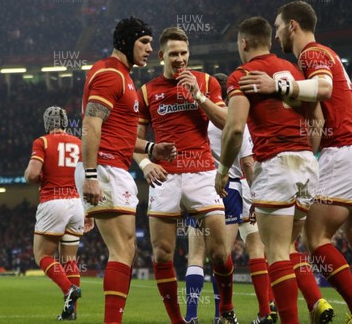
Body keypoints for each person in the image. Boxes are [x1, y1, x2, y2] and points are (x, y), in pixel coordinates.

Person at [238, 1, 352, 323]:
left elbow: (324, 87)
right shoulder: (328, 53)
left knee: (313, 239)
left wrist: (277, 85)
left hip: (345, 150)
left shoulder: (310, 54)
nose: (277, 34)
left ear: (292, 25)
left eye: (279, 26)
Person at [216, 16, 333, 324]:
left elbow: (235, 129)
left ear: (243, 43)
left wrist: (223, 169)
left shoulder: (242, 75)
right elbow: (319, 119)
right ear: (269, 40)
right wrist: (309, 150)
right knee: (290, 247)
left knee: (276, 251)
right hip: (308, 164)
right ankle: (316, 302)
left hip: (275, 164)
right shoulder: (294, 71)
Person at [75, 17, 176, 324]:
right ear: (127, 41)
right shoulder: (110, 74)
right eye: (144, 42)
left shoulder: (123, 76)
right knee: (122, 250)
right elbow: (92, 124)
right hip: (104, 167)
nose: (150, 49)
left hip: (113, 165)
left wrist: (148, 149)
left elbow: (117, 131)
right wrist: (91, 176)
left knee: (126, 250)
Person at [135, 27, 237, 324]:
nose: (180, 59)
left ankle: (226, 311)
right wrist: (145, 163)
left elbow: (227, 122)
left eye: (184, 54)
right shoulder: (146, 91)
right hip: (165, 178)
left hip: (202, 173)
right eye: (174, 54)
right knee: (162, 255)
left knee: (219, 252)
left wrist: (199, 96)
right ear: (161, 55)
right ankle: (178, 320)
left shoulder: (204, 81)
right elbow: (133, 141)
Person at [184, 73, 275, 324]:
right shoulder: (235, 121)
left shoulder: (200, 119)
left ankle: (191, 315)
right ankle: (222, 314)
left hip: (198, 185)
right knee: (221, 256)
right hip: (231, 188)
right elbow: (247, 162)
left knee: (195, 255)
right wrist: (257, 195)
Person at [24, 106, 87, 320]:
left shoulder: (42, 142)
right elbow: (88, 177)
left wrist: (37, 177)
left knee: (42, 255)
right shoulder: (79, 144)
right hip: (77, 203)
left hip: (53, 201)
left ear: (46, 124)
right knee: (70, 259)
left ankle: (68, 289)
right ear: (66, 122)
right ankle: (71, 312)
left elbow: (32, 174)